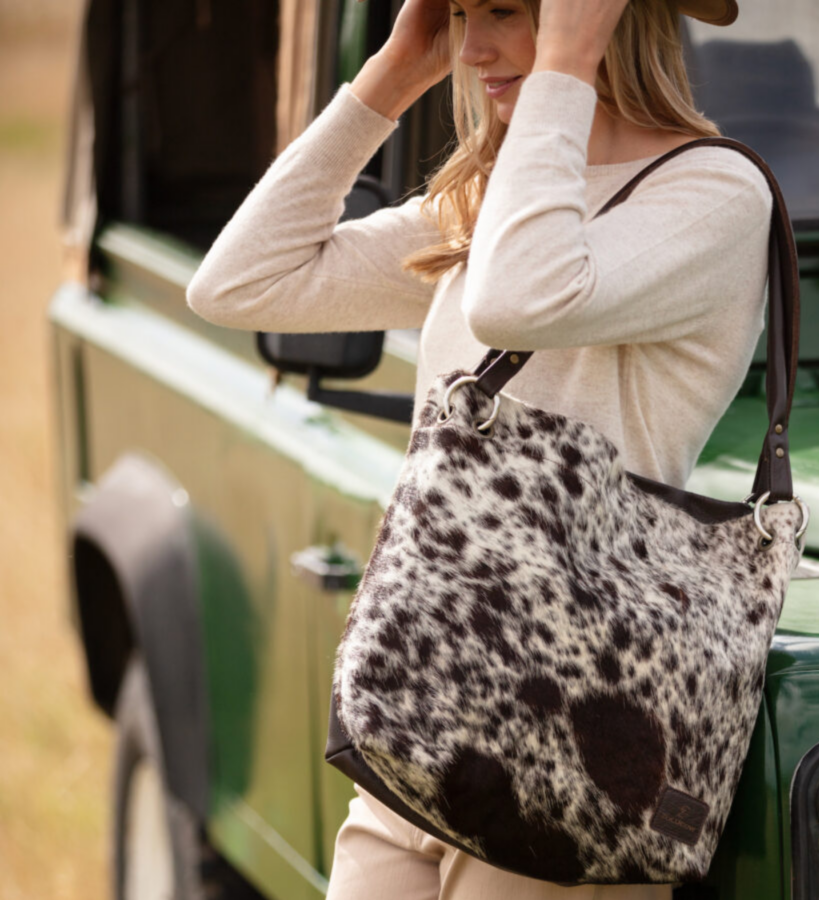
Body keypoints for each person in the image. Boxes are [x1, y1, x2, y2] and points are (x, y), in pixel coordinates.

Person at [186, 0, 772, 897]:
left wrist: (568, 62)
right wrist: (392, 73)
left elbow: (518, 301)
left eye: (504, 9)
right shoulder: (494, 206)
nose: (470, 46)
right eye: (455, 12)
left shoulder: (716, 198)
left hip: (567, 748)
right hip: (421, 728)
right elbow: (237, 282)